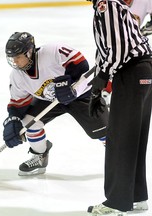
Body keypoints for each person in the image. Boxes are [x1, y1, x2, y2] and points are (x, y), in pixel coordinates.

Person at [2, 32, 108, 176]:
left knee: (104, 132)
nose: (15, 62)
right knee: (28, 121)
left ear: (29, 52)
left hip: (81, 96)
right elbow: (18, 104)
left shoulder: (52, 52)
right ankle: (40, 155)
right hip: (51, 100)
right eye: (12, 58)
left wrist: (69, 83)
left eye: (18, 57)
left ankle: (118, 158)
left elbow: (80, 63)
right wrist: (12, 120)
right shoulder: (17, 77)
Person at [86, 0, 152, 215]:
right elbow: (107, 49)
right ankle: (136, 196)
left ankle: (117, 202)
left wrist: (103, 77)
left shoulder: (108, 5)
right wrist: (99, 85)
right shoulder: (113, 6)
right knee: (134, 137)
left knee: (120, 138)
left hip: (132, 74)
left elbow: (119, 47)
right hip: (143, 72)